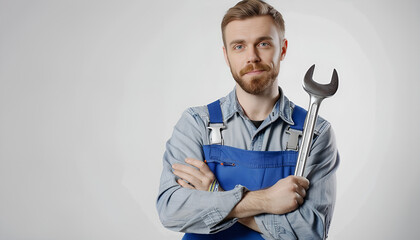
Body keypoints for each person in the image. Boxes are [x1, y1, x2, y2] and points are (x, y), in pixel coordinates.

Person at [156, 0, 339, 239]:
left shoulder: (315, 133)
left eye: (263, 43)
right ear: (226, 55)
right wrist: (266, 200)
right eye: (239, 46)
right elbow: (172, 210)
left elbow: (311, 232)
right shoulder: (196, 124)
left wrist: (215, 194)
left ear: (282, 49)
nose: (252, 56)